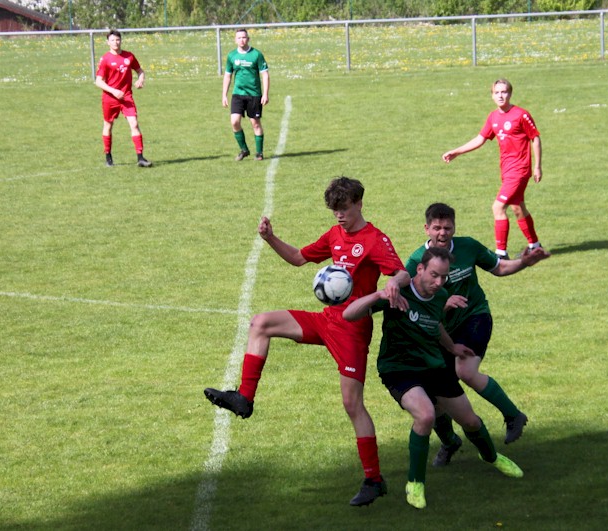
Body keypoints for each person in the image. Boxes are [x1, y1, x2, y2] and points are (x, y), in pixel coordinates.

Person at [204, 177, 410, 507]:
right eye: (334, 211)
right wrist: (270, 238)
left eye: (343, 209)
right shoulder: (334, 235)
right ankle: (244, 397)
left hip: (352, 331)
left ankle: (374, 479)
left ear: (358, 203)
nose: (338, 216)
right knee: (261, 323)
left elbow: (401, 273)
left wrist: (391, 286)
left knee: (352, 405)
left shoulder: (375, 239)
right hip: (326, 320)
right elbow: (300, 258)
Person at [343, 246, 524, 510]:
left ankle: (492, 457)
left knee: (471, 421)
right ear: (420, 269)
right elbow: (349, 314)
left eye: (444, 277)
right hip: (399, 368)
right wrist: (378, 295)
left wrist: (451, 348)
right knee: (426, 414)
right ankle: (415, 482)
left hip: (434, 366)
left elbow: (436, 323)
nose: (439, 282)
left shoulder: (441, 296)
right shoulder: (398, 292)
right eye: (434, 275)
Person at [406, 203, 550, 467]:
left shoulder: (468, 247)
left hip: (475, 318)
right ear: (426, 228)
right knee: (434, 395)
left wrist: (524, 262)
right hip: (442, 332)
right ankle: (449, 442)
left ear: (454, 228)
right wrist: (443, 304)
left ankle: (513, 415)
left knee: (466, 371)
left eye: (447, 227)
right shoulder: (416, 261)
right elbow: (415, 303)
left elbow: (499, 268)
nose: (442, 233)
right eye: (436, 228)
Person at [442, 78, 543, 259]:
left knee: (498, 207)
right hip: (506, 170)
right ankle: (535, 246)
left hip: (519, 171)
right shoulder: (493, 117)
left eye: (504, 92)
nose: (501, 95)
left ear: (510, 94)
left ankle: (501, 254)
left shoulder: (521, 115)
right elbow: (480, 139)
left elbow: (535, 138)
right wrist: (457, 152)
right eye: (497, 92)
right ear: (492, 95)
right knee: (517, 207)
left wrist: (537, 166)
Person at [95, 29, 152, 168]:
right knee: (108, 125)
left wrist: (140, 80)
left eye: (118, 40)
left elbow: (140, 71)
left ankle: (140, 158)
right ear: (108, 42)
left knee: (134, 124)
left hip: (126, 97)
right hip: (110, 98)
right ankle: (108, 157)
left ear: (121, 41)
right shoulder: (105, 59)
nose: (116, 42)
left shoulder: (129, 57)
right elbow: (98, 81)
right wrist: (114, 91)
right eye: (113, 40)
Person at [222, 28, 269, 162]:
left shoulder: (256, 55)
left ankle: (259, 153)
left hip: (254, 95)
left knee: (255, 123)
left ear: (248, 39)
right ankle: (244, 149)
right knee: (234, 122)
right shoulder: (232, 56)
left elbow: (265, 75)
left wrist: (265, 94)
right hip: (238, 94)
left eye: (244, 37)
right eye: (239, 38)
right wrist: (224, 95)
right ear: (235, 40)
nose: (241, 40)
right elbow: (227, 76)